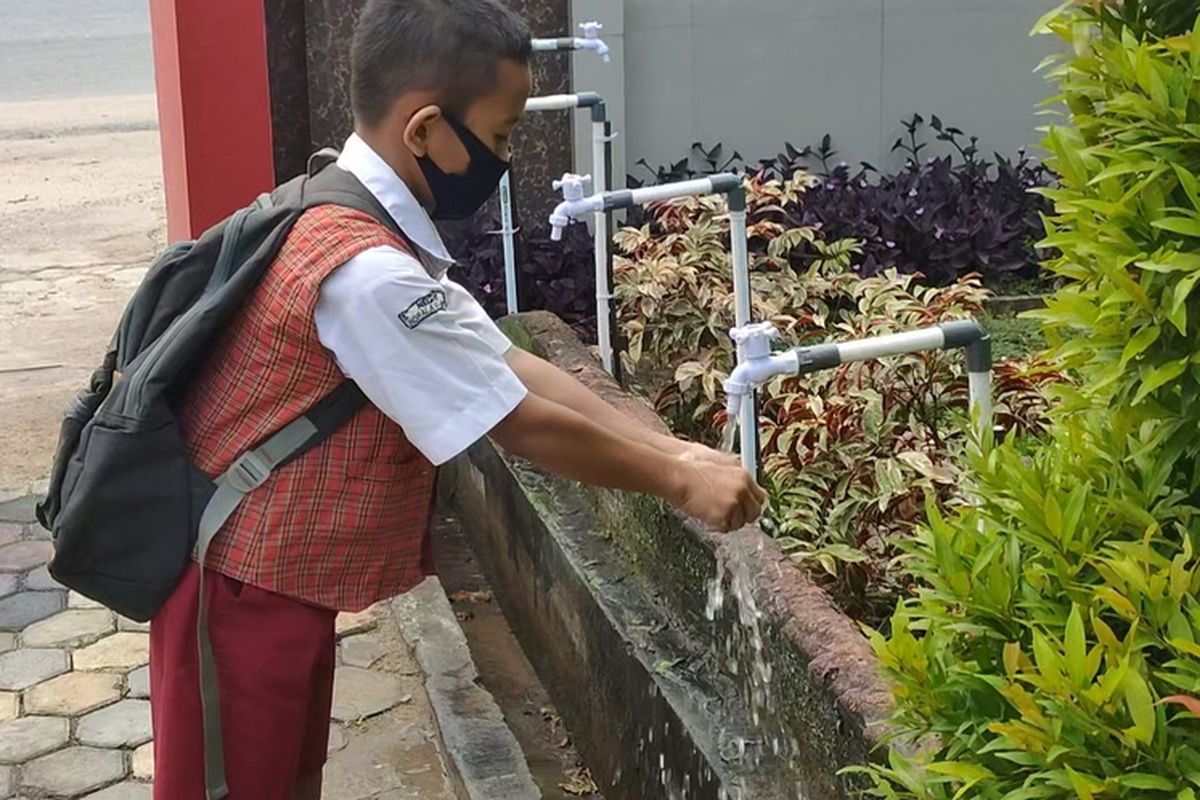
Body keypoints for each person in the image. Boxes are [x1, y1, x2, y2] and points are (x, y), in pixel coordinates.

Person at [148, 0, 766, 797]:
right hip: (234, 591)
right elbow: (515, 420)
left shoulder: (360, 211)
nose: (506, 155)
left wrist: (669, 448)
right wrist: (677, 481)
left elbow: (505, 360)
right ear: (426, 129)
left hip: (275, 583)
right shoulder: (366, 272)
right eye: (502, 136)